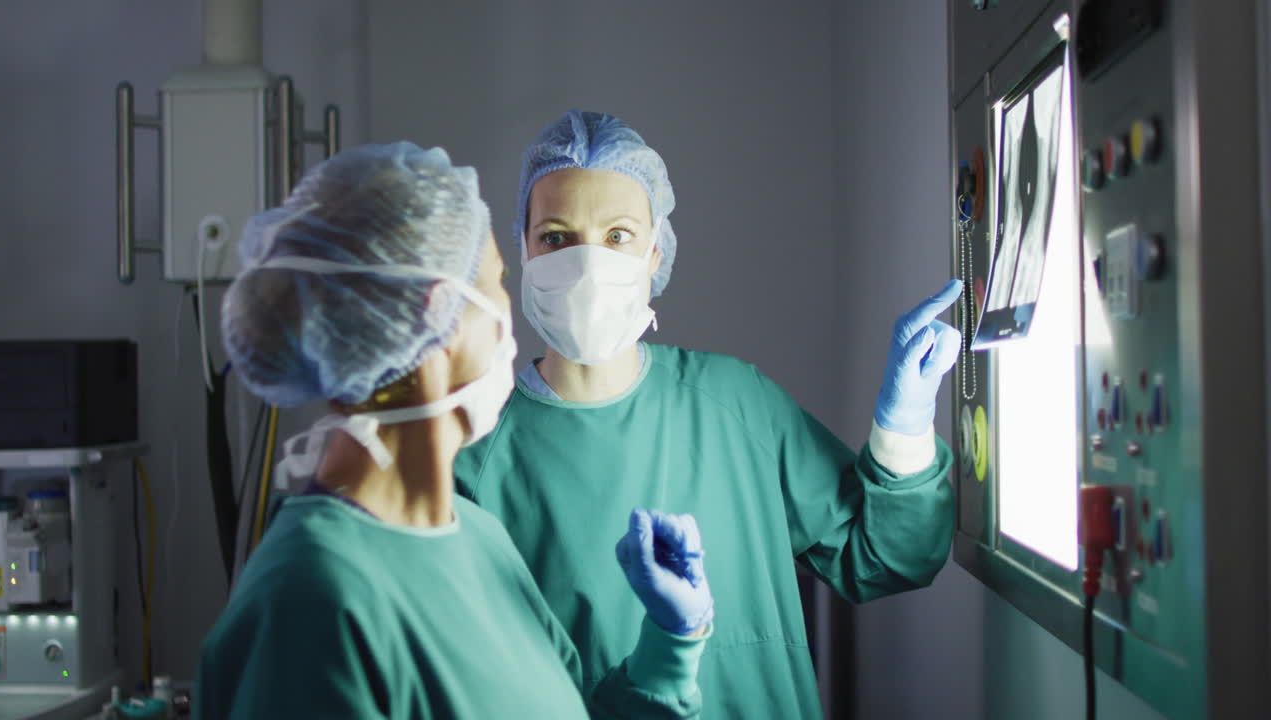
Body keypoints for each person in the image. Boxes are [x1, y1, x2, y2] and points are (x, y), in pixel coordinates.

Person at [454, 110, 963, 720]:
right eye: (556, 237)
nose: (588, 266)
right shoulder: (476, 459)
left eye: (617, 236)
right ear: (524, 249)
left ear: (656, 251)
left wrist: (904, 431)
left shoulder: (735, 405)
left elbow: (886, 561)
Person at [195, 141, 716, 719]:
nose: (509, 315)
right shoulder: (311, 604)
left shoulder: (475, 537)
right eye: (495, 282)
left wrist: (672, 643)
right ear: (435, 313)